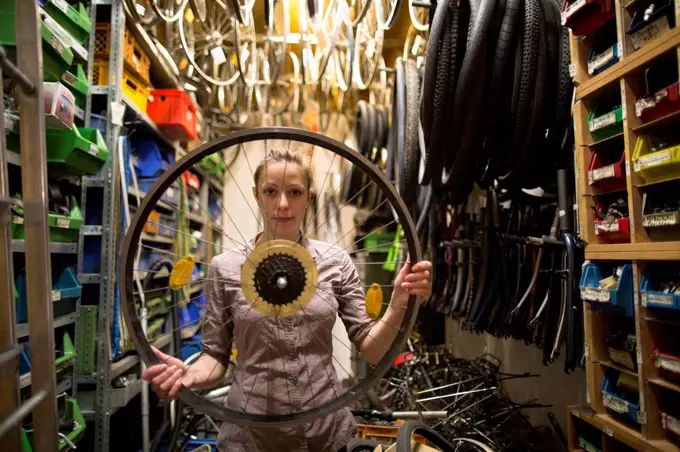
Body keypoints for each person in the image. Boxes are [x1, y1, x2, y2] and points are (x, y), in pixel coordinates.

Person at [143, 148, 432, 451]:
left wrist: (400, 299)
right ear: (257, 195)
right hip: (251, 435)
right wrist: (189, 375)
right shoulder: (226, 268)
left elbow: (372, 351)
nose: (282, 204)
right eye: (271, 191)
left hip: (324, 432)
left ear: (309, 197)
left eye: (294, 192)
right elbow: (215, 356)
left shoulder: (336, 262)